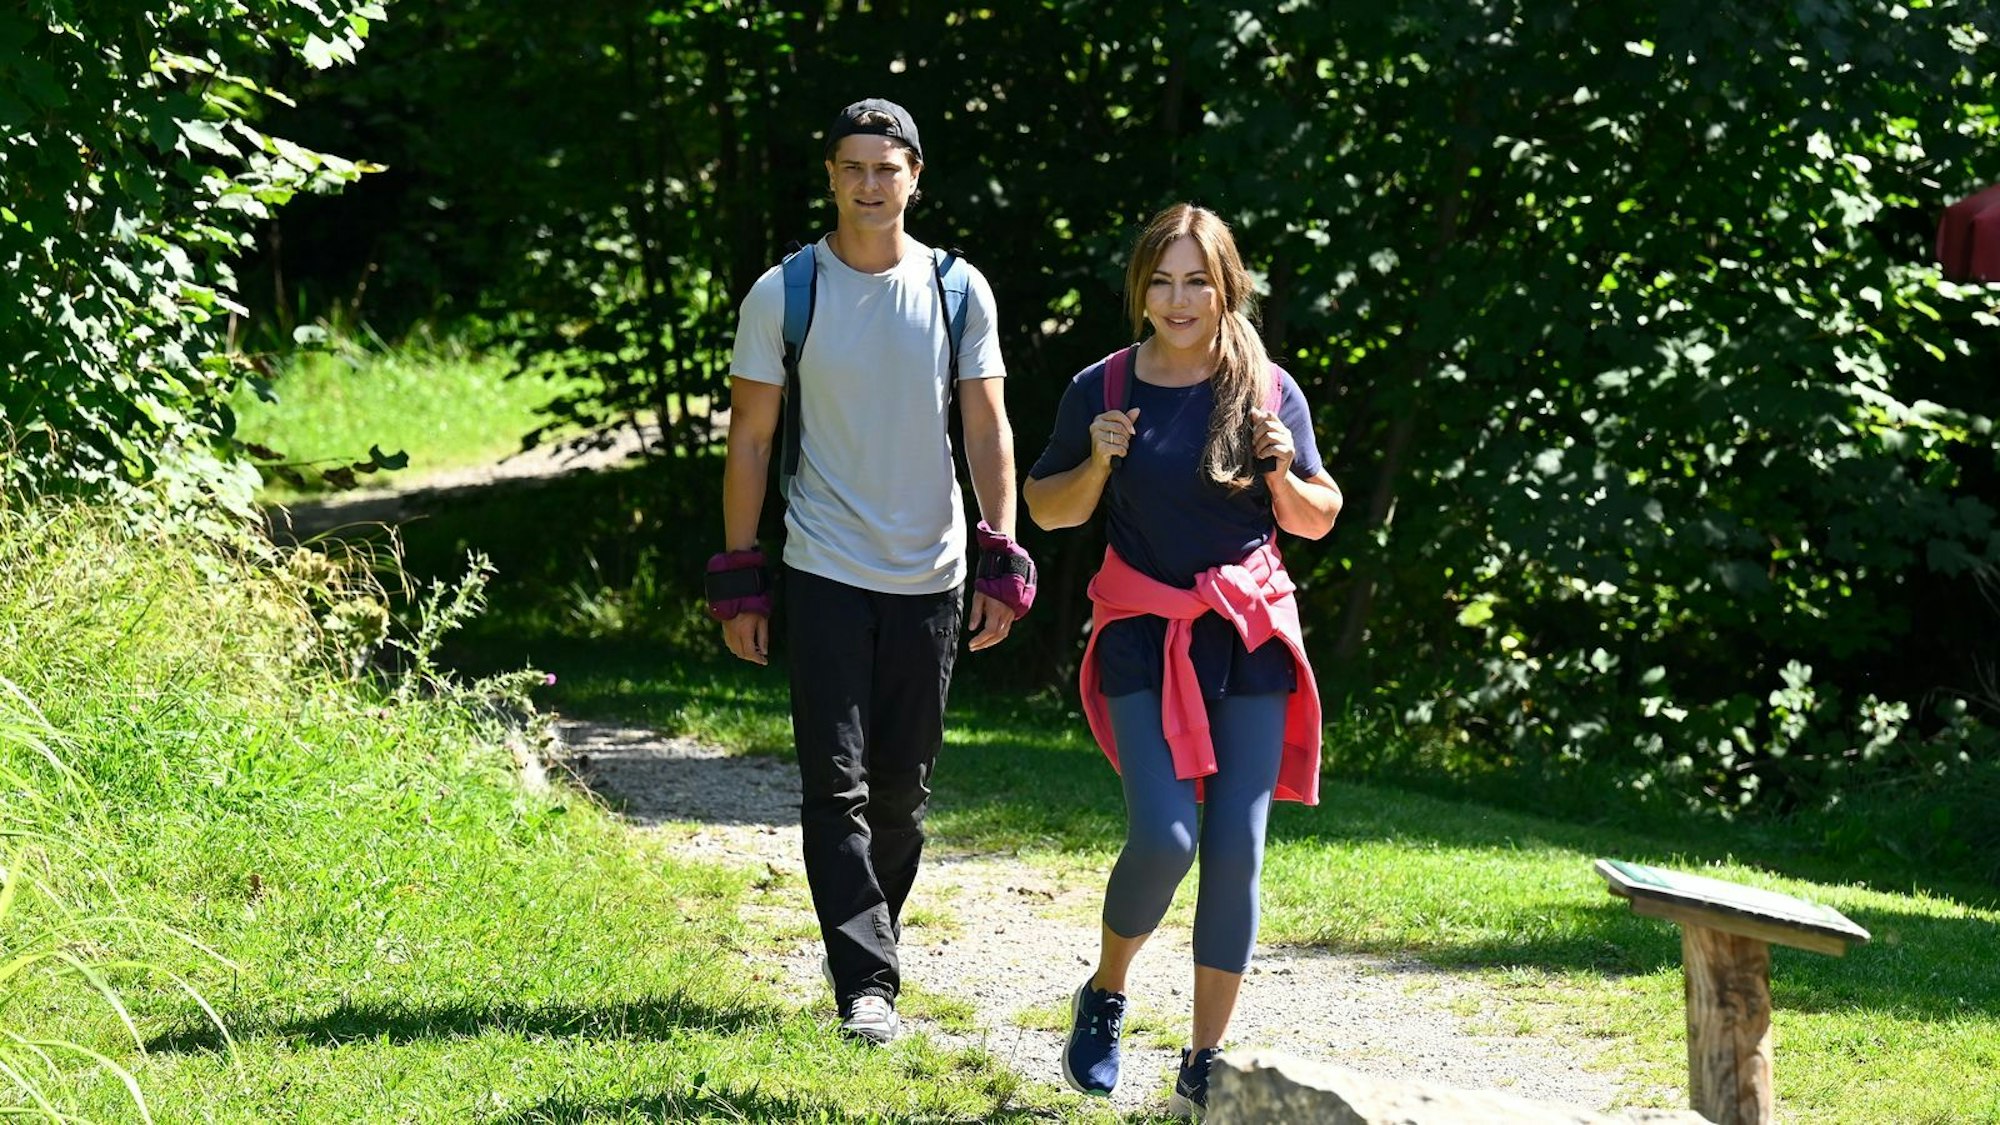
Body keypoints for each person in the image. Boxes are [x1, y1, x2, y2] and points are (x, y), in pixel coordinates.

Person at [707, 97, 1035, 1047]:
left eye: (886, 169)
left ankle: (866, 942)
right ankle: (867, 983)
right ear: (831, 178)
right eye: (852, 167)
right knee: (837, 784)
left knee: (901, 792)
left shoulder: (958, 290)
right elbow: (752, 439)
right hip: (824, 566)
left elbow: (986, 425)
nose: (869, 184)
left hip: (932, 571)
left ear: (914, 178)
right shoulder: (785, 292)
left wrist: (1001, 551)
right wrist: (740, 573)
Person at [1023, 203, 1340, 1114]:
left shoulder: (1267, 388)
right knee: (1165, 836)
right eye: (1161, 280)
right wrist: (1096, 462)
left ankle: (1204, 1059)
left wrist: (1283, 470)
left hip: (1247, 633)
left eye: (1197, 280)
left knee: (1236, 849)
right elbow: (1047, 508)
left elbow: (1318, 515)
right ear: (1140, 290)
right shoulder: (1104, 385)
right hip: (1144, 630)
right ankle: (1106, 990)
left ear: (1226, 287)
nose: (1179, 299)